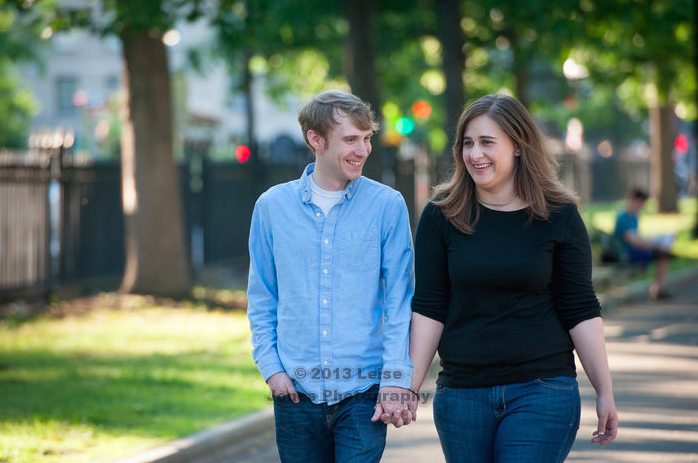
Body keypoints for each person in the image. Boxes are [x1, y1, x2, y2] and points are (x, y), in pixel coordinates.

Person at [407, 94, 618, 463]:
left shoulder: (559, 216)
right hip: (461, 393)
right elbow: (429, 307)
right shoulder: (441, 216)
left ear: (518, 146)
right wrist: (408, 388)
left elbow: (580, 308)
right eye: (468, 143)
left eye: (487, 142)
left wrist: (604, 390)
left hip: (542, 388)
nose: (475, 154)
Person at [246, 90, 415, 463]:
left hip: (363, 393)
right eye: (351, 139)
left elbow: (399, 300)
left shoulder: (387, 206)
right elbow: (262, 296)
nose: (363, 150)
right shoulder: (272, 207)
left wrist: (395, 380)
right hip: (295, 393)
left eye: (367, 138)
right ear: (316, 140)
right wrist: (271, 369)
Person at [614, 188, 673, 299]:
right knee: (663, 254)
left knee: (665, 254)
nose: (641, 206)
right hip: (626, 253)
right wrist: (654, 245)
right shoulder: (623, 217)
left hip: (633, 250)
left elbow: (637, 238)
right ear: (632, 200)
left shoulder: (634, 216)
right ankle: (657, 288)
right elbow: (634, 241)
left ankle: (658, 287)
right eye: (640, 203)